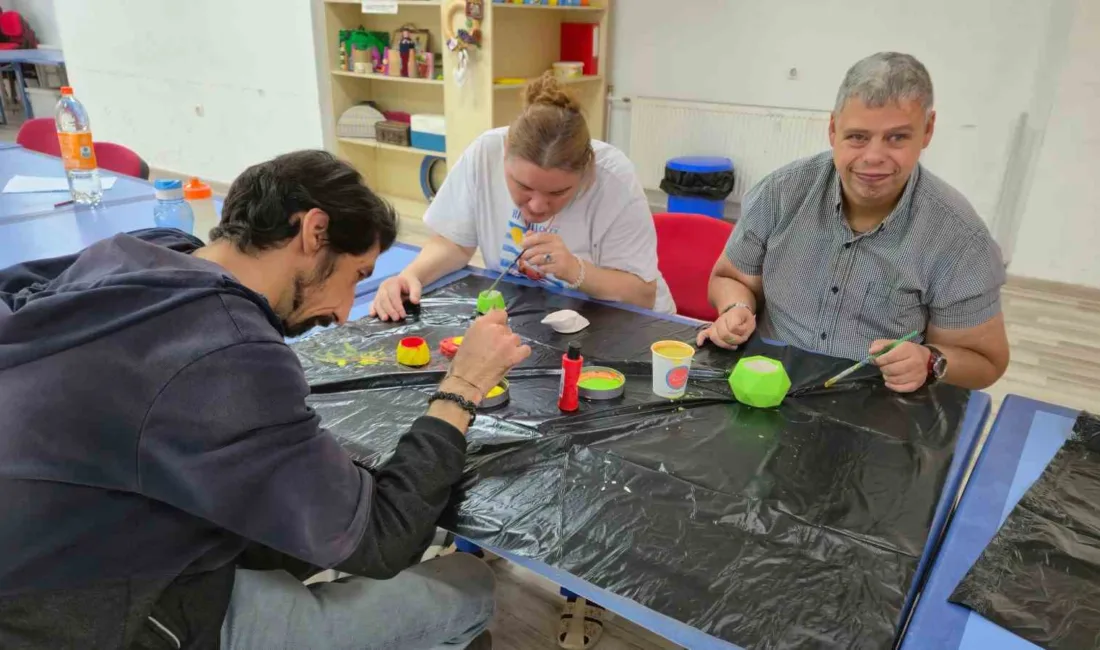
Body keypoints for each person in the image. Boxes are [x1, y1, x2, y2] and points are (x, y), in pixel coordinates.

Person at [0, 150, 532, 649]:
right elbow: (384, 539)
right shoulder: (226, 345)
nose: (347, 311)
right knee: (468, 584)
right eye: (357, 277)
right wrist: (463, 386)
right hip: (99, 618)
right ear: (314, 230)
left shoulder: (142, 251)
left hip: (66, 553)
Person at [699, 52, 1009, 392]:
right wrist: (736, 308)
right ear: (833, 129)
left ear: (928, 130)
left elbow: (986, 361)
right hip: (770, 385)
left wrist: (929, 361)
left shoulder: (959, 240)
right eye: (858, 137)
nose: (873, 158)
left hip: (876, 404)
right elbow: (729, 277)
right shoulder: (780, 194)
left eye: (897, 138)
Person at [370, 73, 675, 320]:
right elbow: (453, 243)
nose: (538, 205)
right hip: (533, 315)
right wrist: (411, 276)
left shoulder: (614, 181)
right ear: (504, 153)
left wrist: (575, 270)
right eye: (524, 187)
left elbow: (642, 295)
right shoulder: (485, 152)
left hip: (624, 325)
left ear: (587, 170)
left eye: (559, 192)